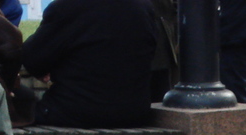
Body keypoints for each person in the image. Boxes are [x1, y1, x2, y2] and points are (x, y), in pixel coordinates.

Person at [20, 0, 159, 128]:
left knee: (18, 102)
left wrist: (49, 67)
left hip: (74, 112)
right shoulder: (144, 7)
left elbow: (33, 58)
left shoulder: (67, 7)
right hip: (134, 114)